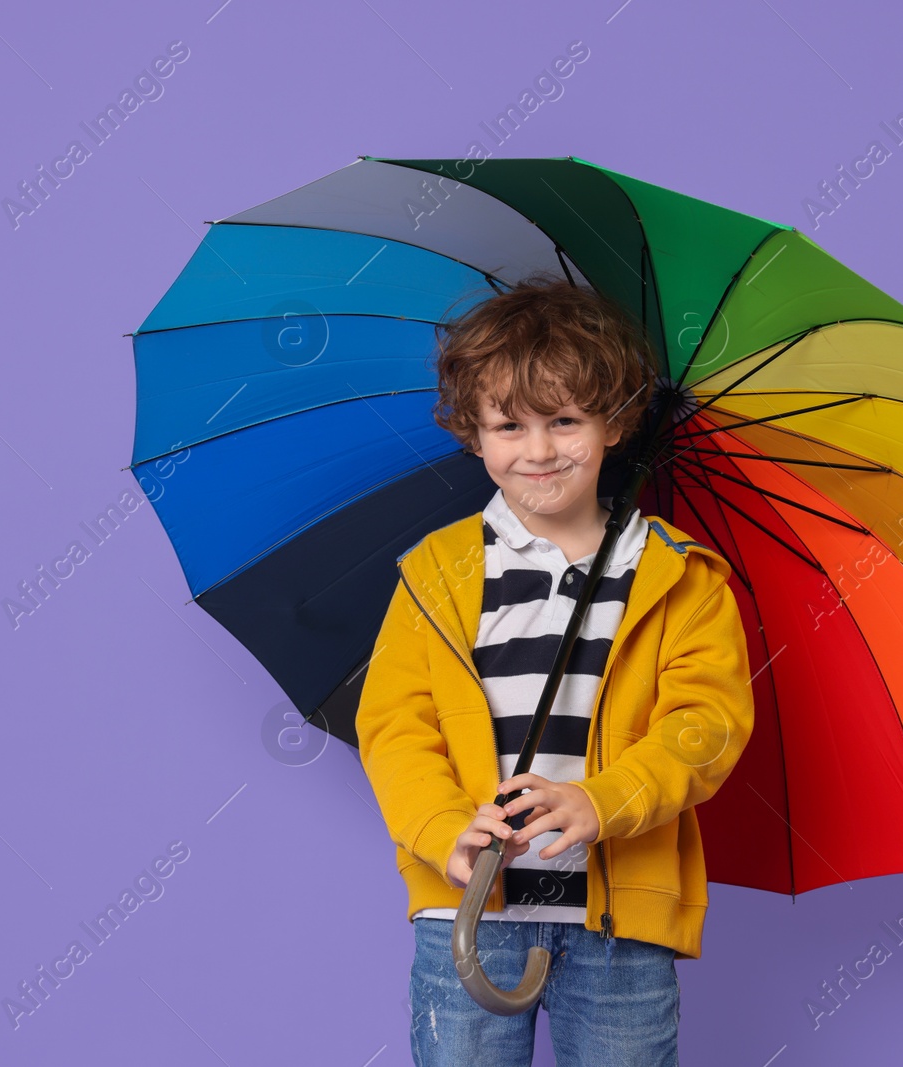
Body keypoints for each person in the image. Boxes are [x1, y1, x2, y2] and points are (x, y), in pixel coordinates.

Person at [355, 275, 755, 1067]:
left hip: (618, 928)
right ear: (473, 433)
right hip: (469, 909)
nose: (538, 451)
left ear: (614, 425)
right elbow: (395, 726)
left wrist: (599, 800)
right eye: (510, 425)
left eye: (564, 420)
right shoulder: (435, 571)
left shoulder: (679, 575)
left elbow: (704, 727)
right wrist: (442, 830)